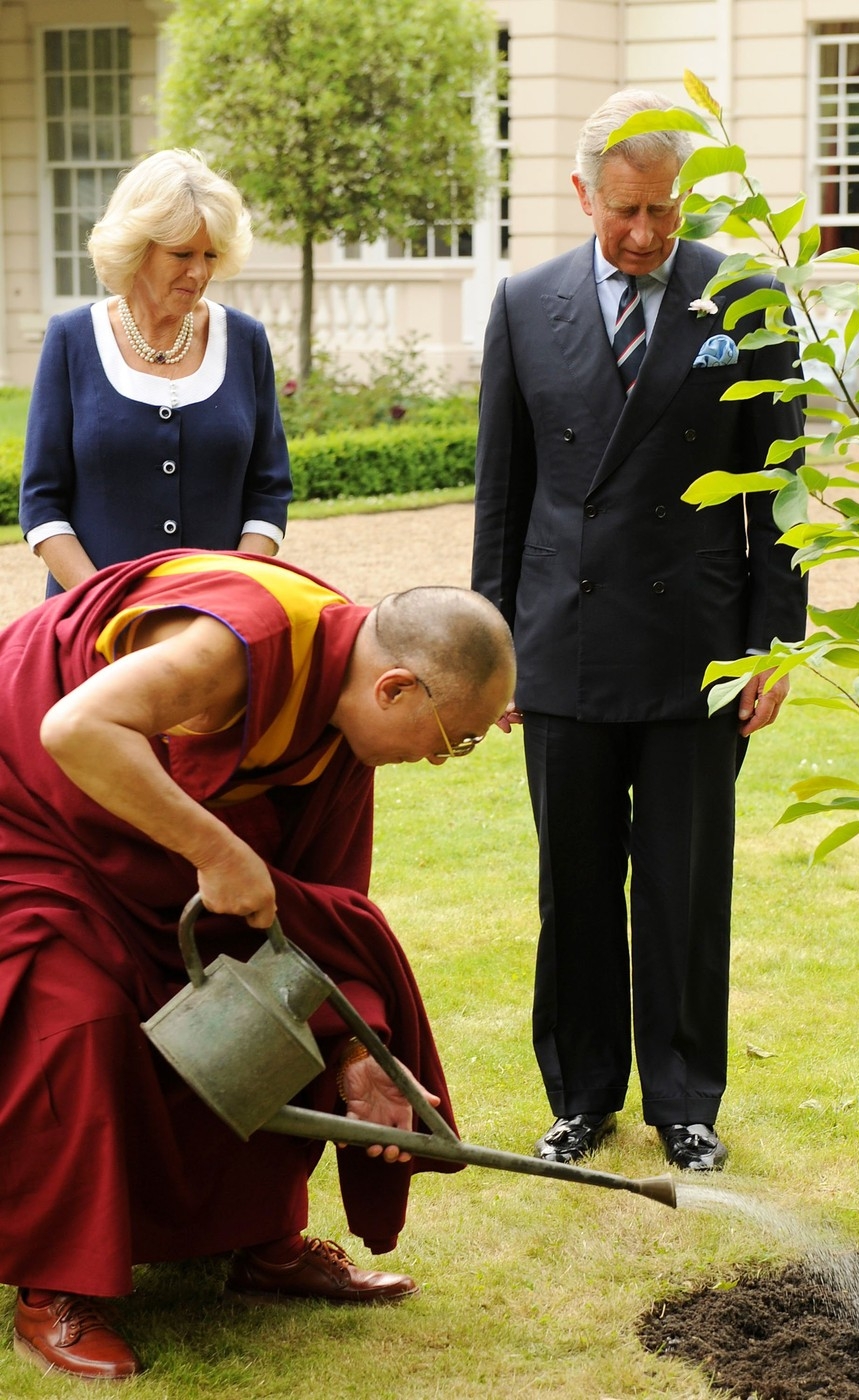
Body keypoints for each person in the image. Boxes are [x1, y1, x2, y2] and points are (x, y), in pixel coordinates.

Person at [0, 548, 515, 1380]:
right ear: (396, 689)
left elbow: (319, 910)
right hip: (30, 815)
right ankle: (51, 1286)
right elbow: (73, 728)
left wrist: (357, 1051)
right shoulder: (244, 643)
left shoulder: (341, 711)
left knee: (288, 992)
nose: (434, 761)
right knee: (80, 1008)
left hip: (148, 832)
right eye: (450, 742)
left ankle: (261, 1244)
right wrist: (215, 850)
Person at [471, 89, 808, 1175]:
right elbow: (502, 495)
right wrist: (490, 649)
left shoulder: (746, 297)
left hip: (697, 647)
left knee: (683, 882)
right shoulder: (524, 305)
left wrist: (775, 645)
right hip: (561, 646)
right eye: (625, 210)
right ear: (584, 194)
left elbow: (783, 494)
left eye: (664, 211)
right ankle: (580, 1095)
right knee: (574, 884)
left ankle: (686, 1100)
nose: (647, 234)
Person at [19, 149, 292, 597]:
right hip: (94, 623)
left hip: (217, 623)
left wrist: (231, 591)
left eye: (210, 254)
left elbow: (268, 490)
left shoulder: (244, 340)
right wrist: (101, 607)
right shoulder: (72, 338)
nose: (199, 271)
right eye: (181, 253)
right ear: (138, 249)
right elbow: (42, 502)